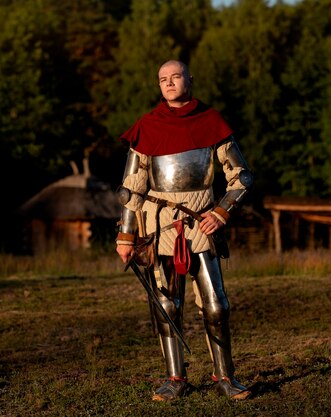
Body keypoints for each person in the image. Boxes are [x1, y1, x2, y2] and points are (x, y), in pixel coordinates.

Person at [115, 60, 253, 401]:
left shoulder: (211, 122)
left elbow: (242, 176)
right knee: (167, 303)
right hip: (159, 224)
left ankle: (225, 376)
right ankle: (175, 378)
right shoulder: (147, 126)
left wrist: (221, 211)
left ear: (189, 79)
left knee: (216, 304)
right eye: (163, 79)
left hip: (201, 220)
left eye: (175, 77)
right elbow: (131, 188)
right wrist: (126, 236)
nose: (169, 83)